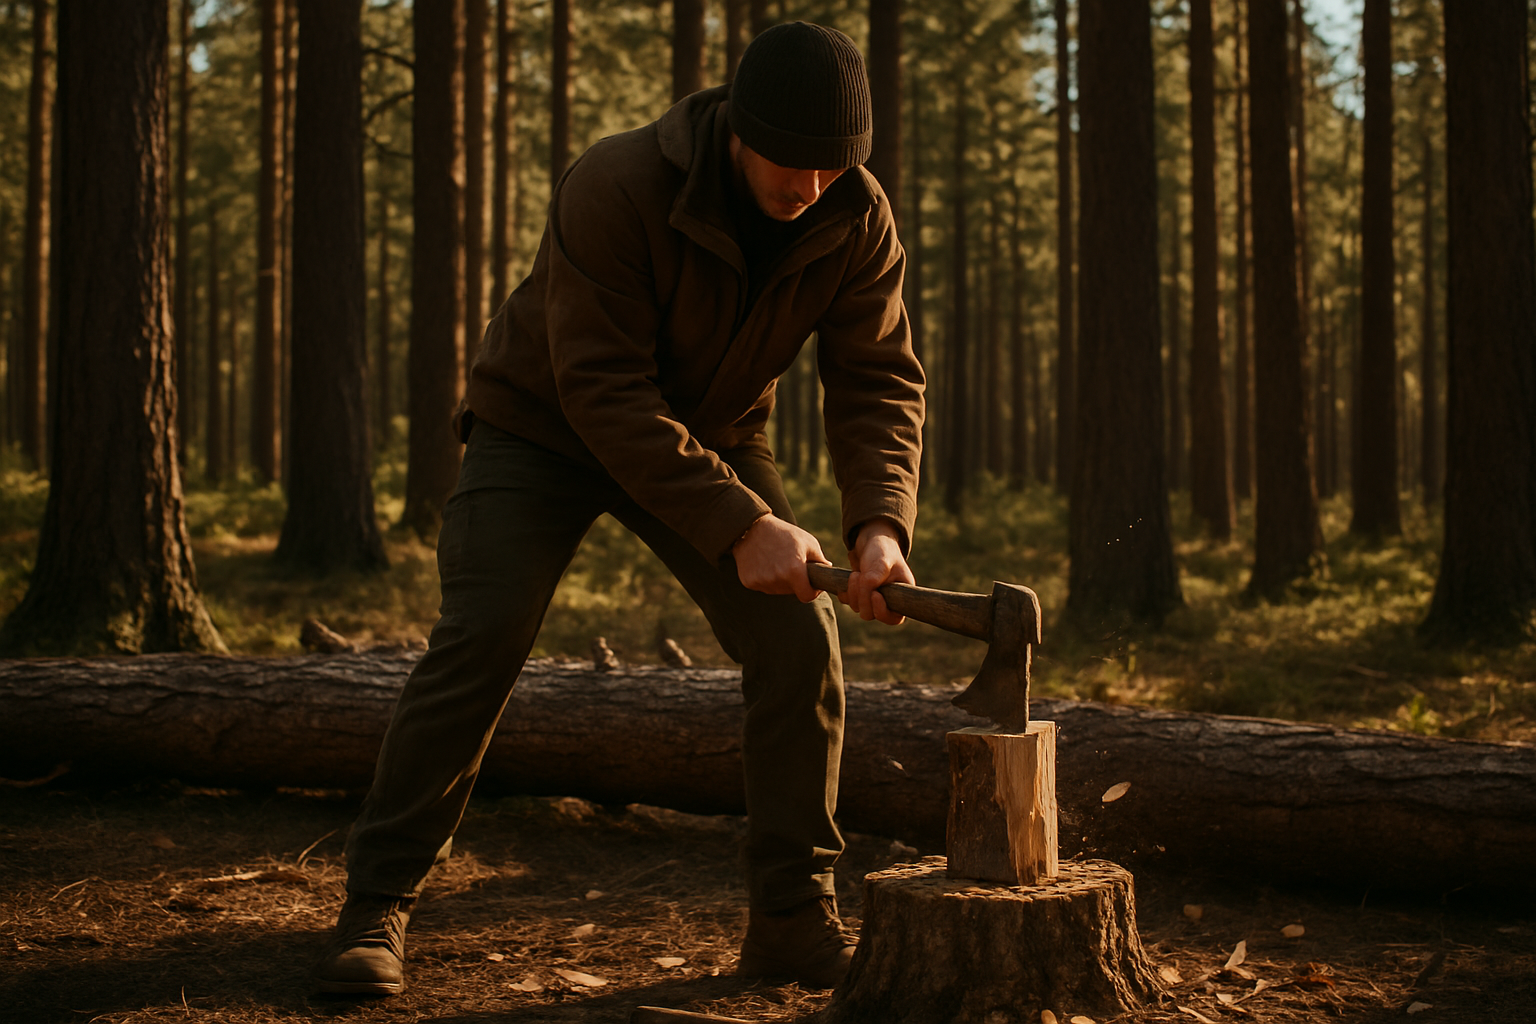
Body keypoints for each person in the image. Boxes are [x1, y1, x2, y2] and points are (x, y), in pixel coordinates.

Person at [313, 21, 924, 997]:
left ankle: (792, 921)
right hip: (543, 425)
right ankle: (375, 905)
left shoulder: (855, 214)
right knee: (486, 630)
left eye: (832, 166)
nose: (808, 186)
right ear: (735, 126)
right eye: (789, 160)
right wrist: (737, 525)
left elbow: (877, 377)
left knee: (798, 643)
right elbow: (602, 390)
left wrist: (879, 522)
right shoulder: (619, 181)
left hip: (714, 433)